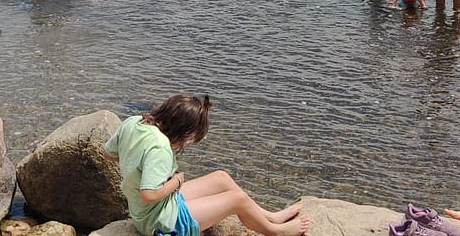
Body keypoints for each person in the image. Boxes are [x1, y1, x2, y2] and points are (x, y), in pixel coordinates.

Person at [103, 93, 310, 236]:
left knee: (221, 177)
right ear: (182, 130)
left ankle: (269, 216)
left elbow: (108, 153)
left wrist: (135, 164)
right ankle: (276, 231)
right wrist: (176, 181)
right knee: (237, 199)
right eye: (189, 139)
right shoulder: (160, 147)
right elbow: (148, 195)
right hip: (161, 223)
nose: (186, 143)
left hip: (154, 209)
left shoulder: (133, 122)